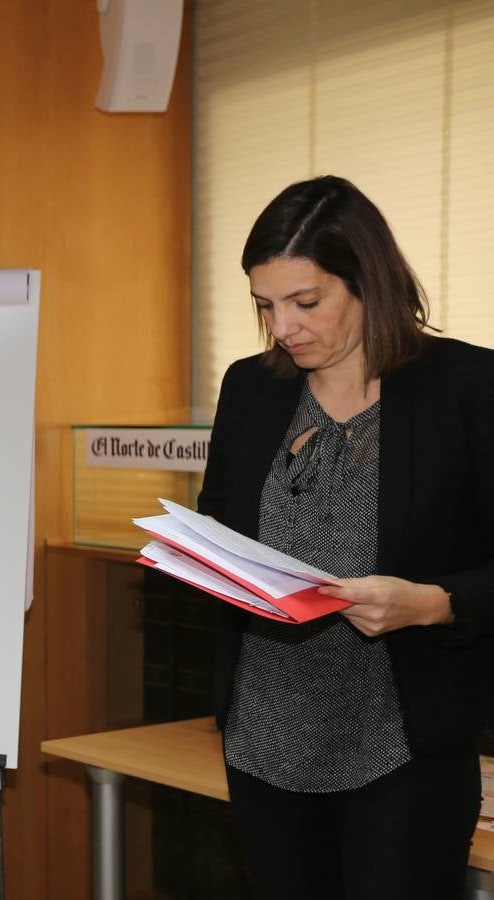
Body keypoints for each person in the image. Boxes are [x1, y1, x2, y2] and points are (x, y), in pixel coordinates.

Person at [196, 175, 494, 900]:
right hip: (264, 740)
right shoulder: (251, 387)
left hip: (402, 747)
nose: (283, 328)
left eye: (306, 302)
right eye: (264, 306)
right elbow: (220, 526)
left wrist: (430, 603)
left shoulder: (467, 387)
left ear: (368, 282)